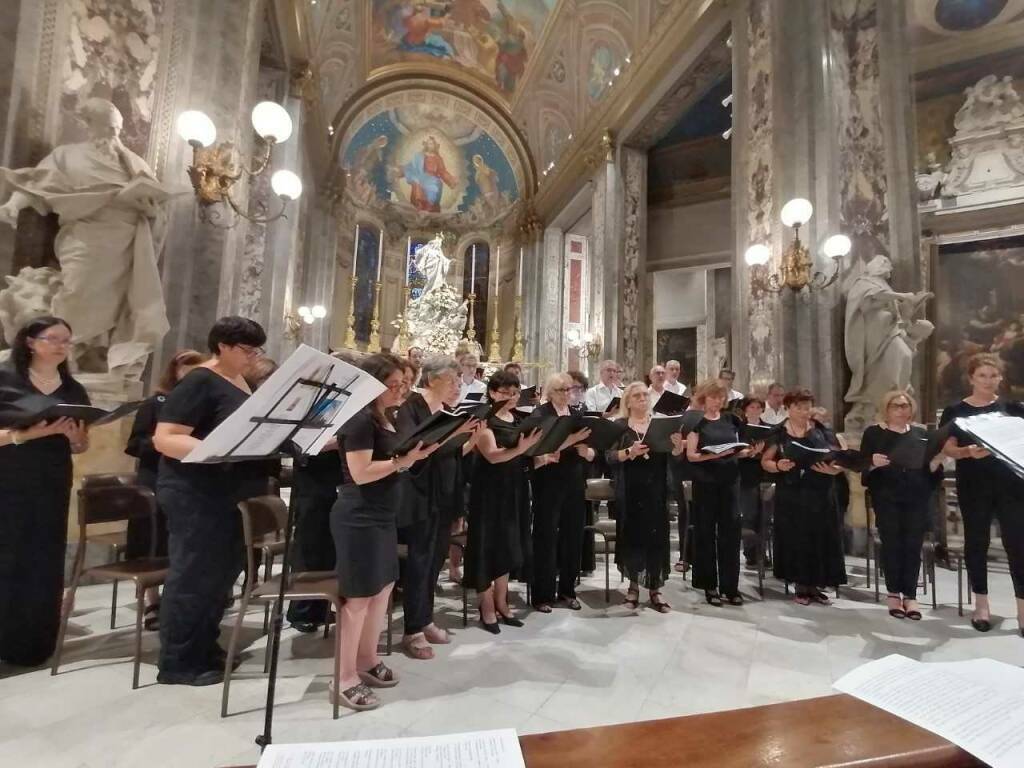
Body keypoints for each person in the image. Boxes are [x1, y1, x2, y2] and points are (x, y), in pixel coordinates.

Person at [153, 316, 270, 686]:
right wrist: (220, 450)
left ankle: (206, 646)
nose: (254, 357)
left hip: (228, 494)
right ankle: (178, 662)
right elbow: (166, 437)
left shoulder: (239, 383)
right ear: (222, 346)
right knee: (193, 576)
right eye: (247, 350)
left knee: (220, 578)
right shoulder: (200, 380)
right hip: (195, 493)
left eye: (257, 350)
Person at [331, 353, 436, 710]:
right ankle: (344, 678)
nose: (400, 390)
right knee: (358, 598)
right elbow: (360, 472)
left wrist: (418, 454)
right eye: (393, 384)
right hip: (358, 514)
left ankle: (366, 659)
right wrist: (401, 462)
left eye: (403, 384)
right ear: (372, 384)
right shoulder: (359, 419)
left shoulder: (385, 417)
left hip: (382, 513)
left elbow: (395, 461)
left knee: (382, 591)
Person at [0, 316, 89, 667]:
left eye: (67, 340)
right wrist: (26, 435)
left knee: (44, 557)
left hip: (51, 481)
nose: (61, 346)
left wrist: (74, 437)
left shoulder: (73, 389)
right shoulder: (5, 380)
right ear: (30, 342)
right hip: (7, 479)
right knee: (7, 555)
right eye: (53, 338)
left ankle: (34, 642)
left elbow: (81, 446)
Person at [395, 356, 480, 659]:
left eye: (459, 381)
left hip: (444, 495)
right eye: (453, 381)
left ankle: (425, 619)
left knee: (435, 561)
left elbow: (453, 456)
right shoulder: (411, 408)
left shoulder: (447, 412)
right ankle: (412, 630)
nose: (458, 387)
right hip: (419, 495)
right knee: (419, 562)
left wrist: (471, 436)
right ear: (432, 380)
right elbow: (413, 449)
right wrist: (456, 434)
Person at [939, 354, 1024, 635]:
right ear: (972, 378)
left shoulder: (1012, 409)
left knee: (1018, 545)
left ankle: (1022, 611)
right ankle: (982, 605)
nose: (988, 381)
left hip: (1011, 485)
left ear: (1000, 378)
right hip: (974, 484)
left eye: (993, 375)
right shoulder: (956, 411)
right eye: (982, 376)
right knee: (976, 542)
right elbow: (948, 448)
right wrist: (967, 453)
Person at [124, 348, 205, 630]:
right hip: (154, 478)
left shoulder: (200, 405)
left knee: (179, 543)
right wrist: (167, 443)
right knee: (151, 540)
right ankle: (152, 601)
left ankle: (176, 597)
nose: (191, 371)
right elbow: (135, 444)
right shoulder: (155, 402)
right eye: (186, 366)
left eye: (197, 366)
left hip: (187, 479)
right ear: (174, 370)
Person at [466, 370, 542, 632]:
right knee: (489, 546)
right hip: (489, 491)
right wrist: (523, 448)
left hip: (515, 488)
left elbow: (527, 450)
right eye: (505, 392)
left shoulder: (519, 417)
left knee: (509, 545)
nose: (511, 397)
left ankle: (502, 601)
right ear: (492, 393)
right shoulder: (484, 418)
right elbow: (492, 455)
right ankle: (486, 606)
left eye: (515, 392)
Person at [861, 391, 943, 621]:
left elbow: (931, 474)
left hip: (916, 496)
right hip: (887, 496)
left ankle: (910, 595)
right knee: (893, 544)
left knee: (912, 544)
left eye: (906, 405)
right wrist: (873, 464)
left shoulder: (921, 434)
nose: (901, 409)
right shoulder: (874, 433)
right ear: (886, 409)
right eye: (896, 406)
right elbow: (863, 468)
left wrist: (936, 463)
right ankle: (893, 593)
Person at [761, 389, 847, 605]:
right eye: (798, 407)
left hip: (821, 490)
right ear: (788, 408)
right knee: (796, 537)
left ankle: (816, 584)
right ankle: (800, 585)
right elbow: (766, 462)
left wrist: (834, 470)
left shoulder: (821, 430)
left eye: (807, 407)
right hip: (792, 492)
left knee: (820, 536)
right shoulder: (778, 432)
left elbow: (838, 458)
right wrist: (779, 465)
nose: (803, 411)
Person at [606, 382, 681, 611]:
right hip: (630, 489)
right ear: (627, 401)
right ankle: (633, 587)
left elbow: (673, 457)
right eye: (636, 396)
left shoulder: (659, 424)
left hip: (656, 489)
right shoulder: (619, 426)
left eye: (645, 395)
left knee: (657, 538)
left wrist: (677, 446)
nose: (642, 399)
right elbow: (609, 457)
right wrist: (630, 452)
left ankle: (655, 589)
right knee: (632, 537)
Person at [685, 381, 760, 606]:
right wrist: (714, 456)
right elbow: (691, 456)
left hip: (729, 482)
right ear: (704, 399)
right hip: (705, 483)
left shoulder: (732, 420)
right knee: (706, 533)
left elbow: (738, 450)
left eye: (720, 397)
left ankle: (731, 587)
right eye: (713, 397)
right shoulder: (696, 422)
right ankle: (709, 586)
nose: (717, 401)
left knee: (730, 534)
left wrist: (749, 452)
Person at [530, 372, 593, 612]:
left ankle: (567, 590)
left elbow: (588, 448)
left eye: (570, 390)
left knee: (573, 537)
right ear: (550, 392)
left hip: (574, 482)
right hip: (547, 482)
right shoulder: (541, 414)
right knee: (545, 537)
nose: (568, 394)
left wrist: (587, 452)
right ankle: (542, 594)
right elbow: (541, 447)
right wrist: (571, 440)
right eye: (562, 390)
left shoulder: (577, 415)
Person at [737, 396, 769, 568]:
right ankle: (751, 554)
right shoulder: (739, 428)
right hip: (745, 475)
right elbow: (734, 450)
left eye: (758, 407)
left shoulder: (768, 429)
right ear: (746, 410)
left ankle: (762, 552)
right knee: (749, 516)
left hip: (763, 475)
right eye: (752, 407)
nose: (755, 410)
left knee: (763, 517)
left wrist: (763, 452)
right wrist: (749, 452)